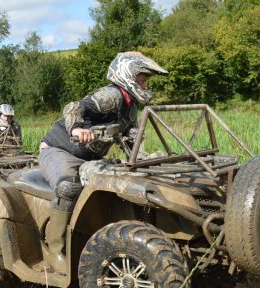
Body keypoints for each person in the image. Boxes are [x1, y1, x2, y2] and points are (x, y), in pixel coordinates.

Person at [39, 51, 168, 274]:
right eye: (142, 79)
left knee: (123, 178)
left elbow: (129, 139)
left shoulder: (130, 107)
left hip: (89, 157)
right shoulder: (111, 95)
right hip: (59, 151)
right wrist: (77, 128)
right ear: (128, 75)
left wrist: (144, 160)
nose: (145, 85)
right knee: (68, 187)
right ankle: (54, 249)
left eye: (146, 81)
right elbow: (75, 108)